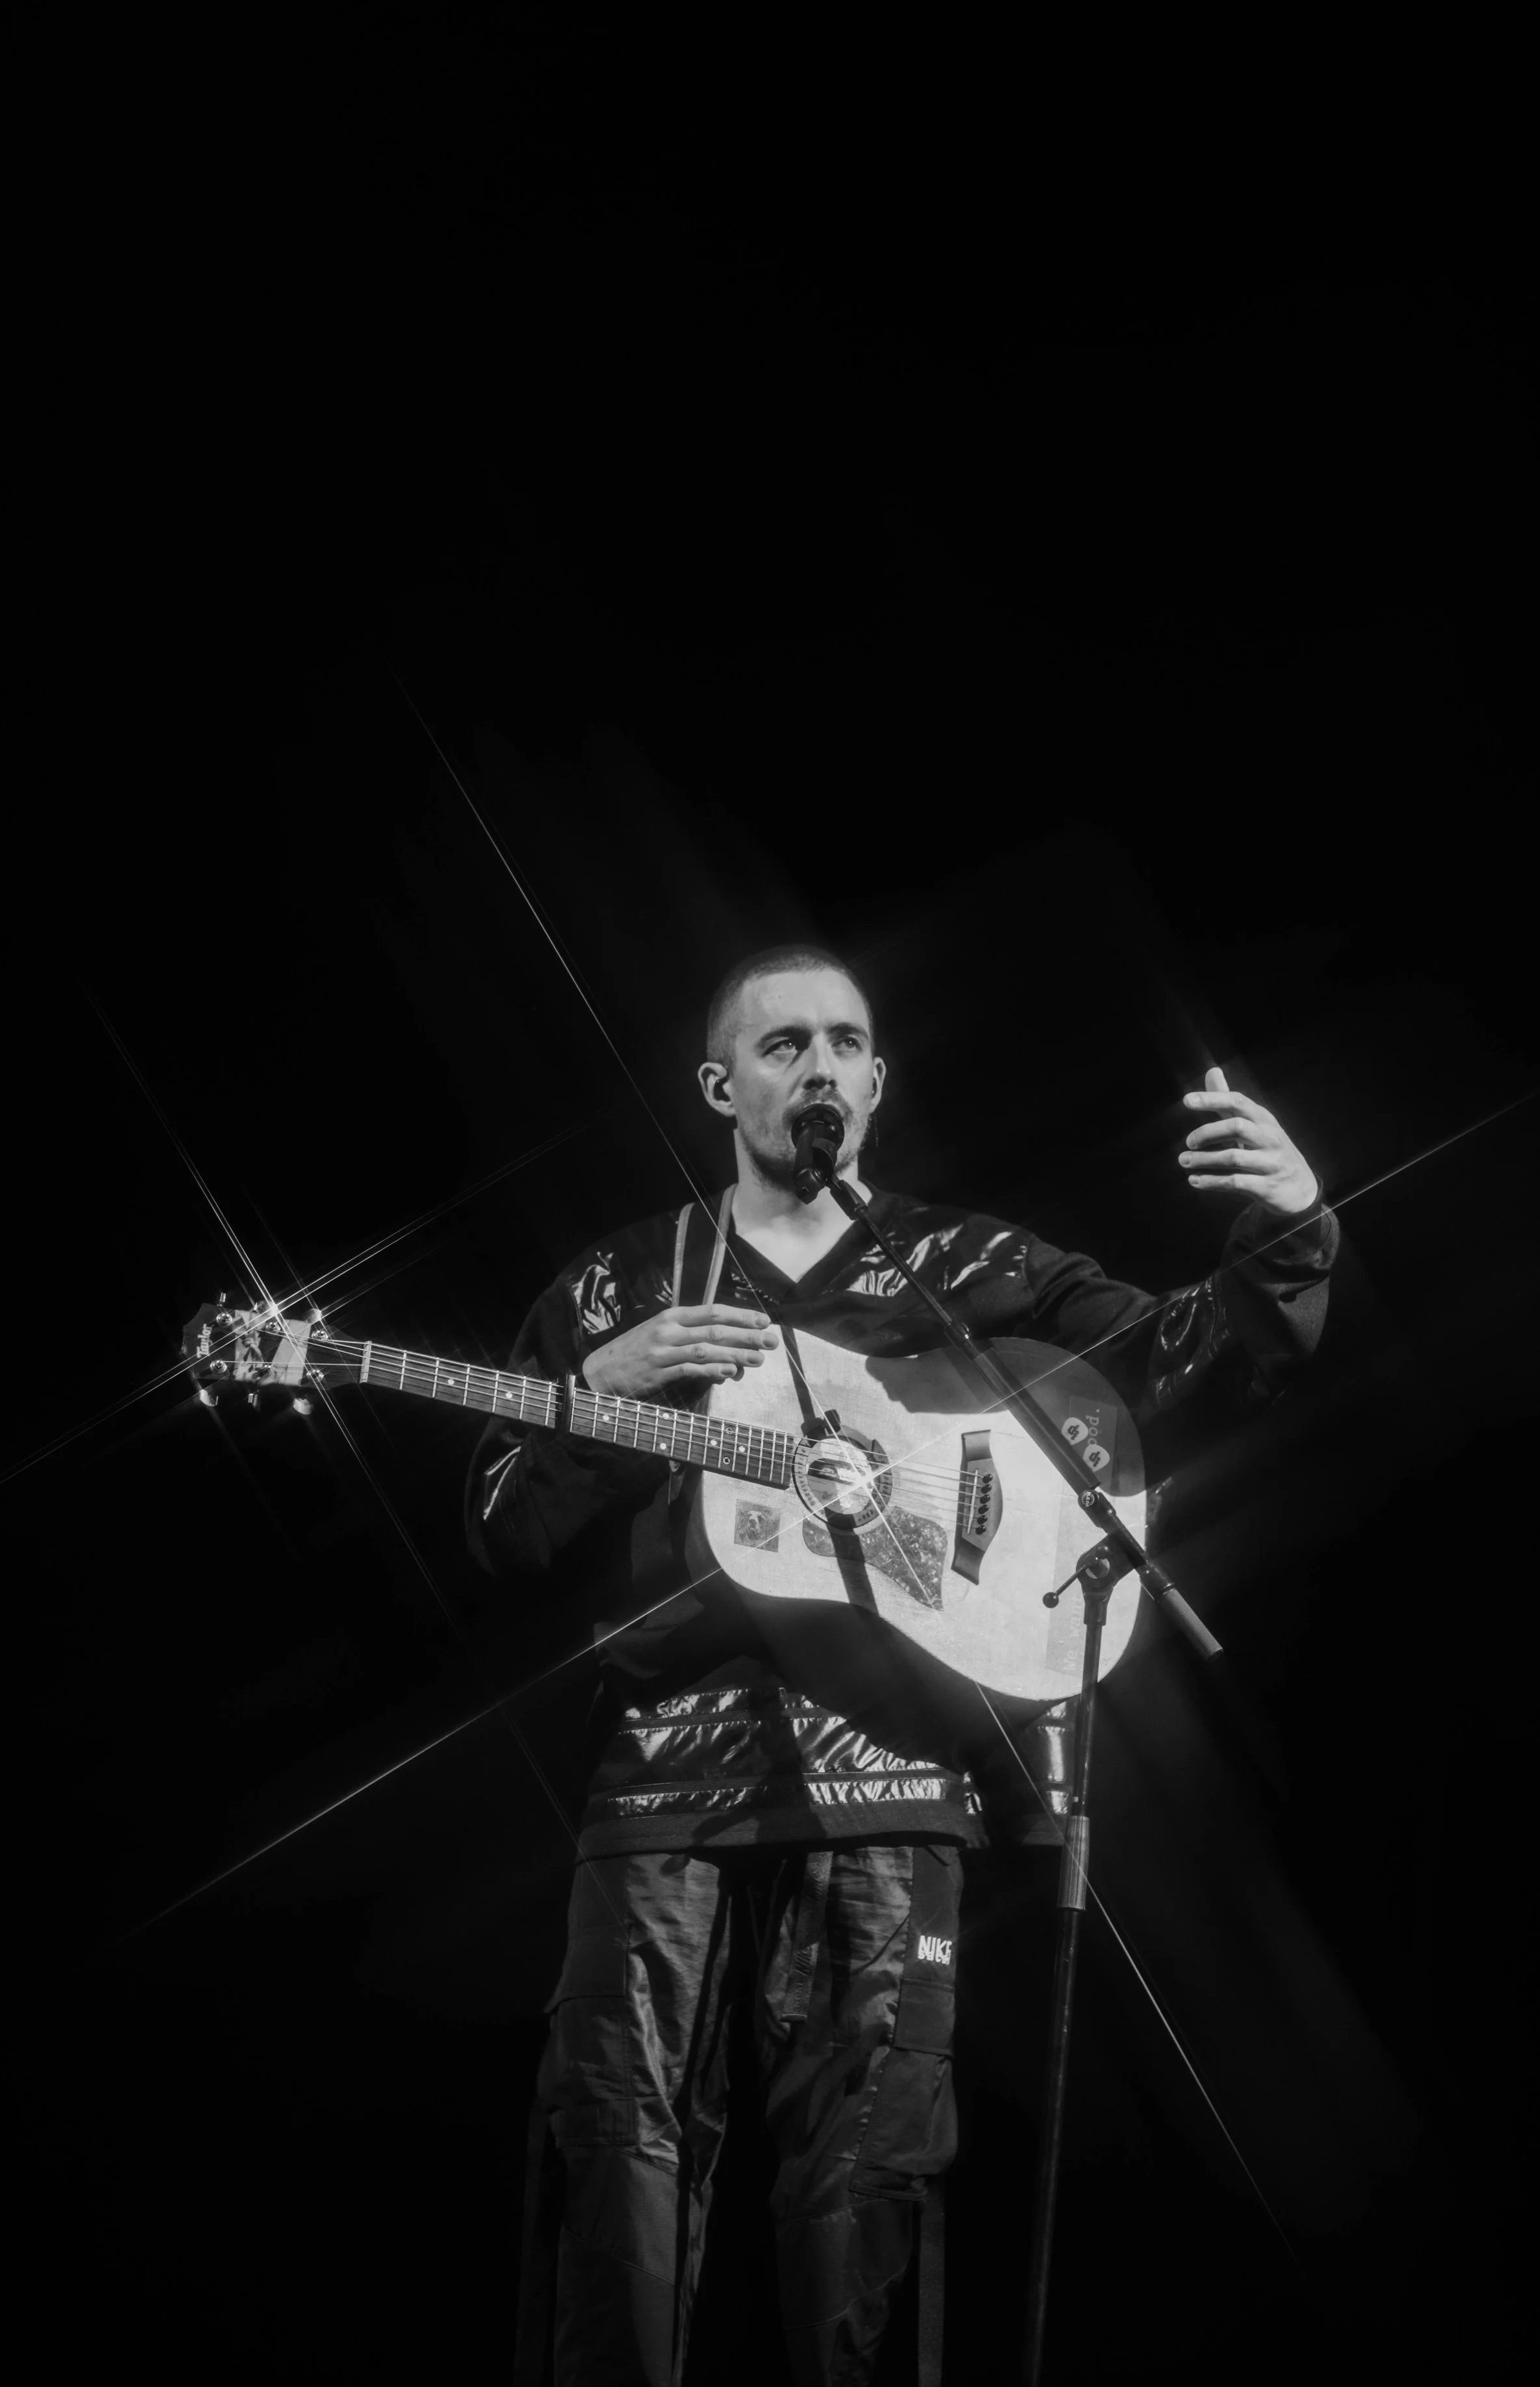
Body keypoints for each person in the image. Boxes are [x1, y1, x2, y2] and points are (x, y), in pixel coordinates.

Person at [465, 944, 1337, 2386]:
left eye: (845, 1044)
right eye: (784, 1044)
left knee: (865, 2182)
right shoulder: (628, 1281)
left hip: (897, 1771)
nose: (818, 1068)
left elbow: (1159, 1375)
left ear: (875, 1081)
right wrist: (589, 1396)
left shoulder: (959, 1268)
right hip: (663, 1790)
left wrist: (1287, 1229)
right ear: (719, 1085)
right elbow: (497, 1529)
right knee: (613, 2152)